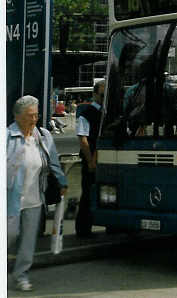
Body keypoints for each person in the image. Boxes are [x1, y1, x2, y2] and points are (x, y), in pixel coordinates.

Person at [7, 95, 68, 292]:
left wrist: (62, 181)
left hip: (34, 197)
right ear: (17, 117)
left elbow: (54, 161)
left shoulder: (43, 136)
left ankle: (21, 276)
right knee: (9, 235)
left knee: (28, 242)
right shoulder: (7, 137)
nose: (33, 120)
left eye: (36, 115)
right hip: (10, 198)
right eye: (29, 116)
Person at [75, 80, 104, 237]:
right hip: (92, 159)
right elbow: (83, 140)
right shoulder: (86, 113)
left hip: (105, 158)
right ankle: (83, 228)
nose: (105, 97)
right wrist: (90, 161)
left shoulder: (109, 112)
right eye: (102, 94)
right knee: (87, 193)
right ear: (95, 94)